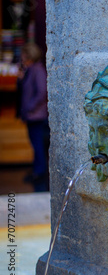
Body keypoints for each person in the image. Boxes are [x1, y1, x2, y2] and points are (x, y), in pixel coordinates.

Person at [17, 42, 49, 186]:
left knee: (38, 144)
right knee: (35, 144)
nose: (22, 58)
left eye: (24, 55)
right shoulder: (30, 70)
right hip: (31, 115)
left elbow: (42, 92)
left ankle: (40, 172)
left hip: (37, 115)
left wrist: (30, 107)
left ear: (30, 56)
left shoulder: (38, 70)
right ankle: (37, 170)